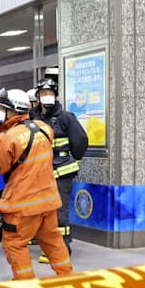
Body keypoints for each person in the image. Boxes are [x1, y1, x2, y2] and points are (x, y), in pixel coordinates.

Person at [0, 88, 73, 279]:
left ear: (13, 110)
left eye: (3, 108)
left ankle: (26, 285)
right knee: (52, 239)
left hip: (22, 205)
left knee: (14, 244)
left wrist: (0, 140)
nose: (1, 112)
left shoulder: (6, 138)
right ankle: (67, 277)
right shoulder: (45, 129)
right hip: (48, 200)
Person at [31, 78, 88, 262]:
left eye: (50, 93)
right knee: (43, 210)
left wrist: (73, 157)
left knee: (59, 210)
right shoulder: (33, 117)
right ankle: (47, 244)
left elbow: (80, 141)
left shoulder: (66, 117)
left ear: (56, 95)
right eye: (43, 93)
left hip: (62, 171)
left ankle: (62, 248)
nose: (46, 96)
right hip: (40, 171)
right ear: (38, 96)